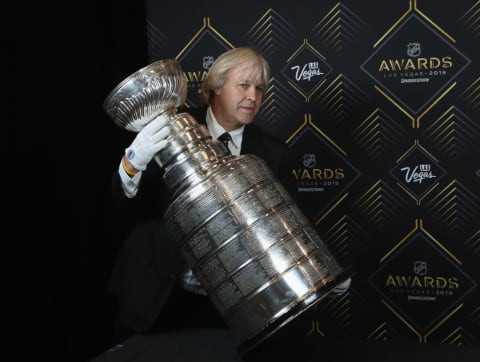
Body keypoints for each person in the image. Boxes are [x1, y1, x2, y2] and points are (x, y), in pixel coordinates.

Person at [108, 46, 350, 344]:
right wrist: (132, 162)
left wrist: (320, 269)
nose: (253, 96)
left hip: (235, 305)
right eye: (244, 85)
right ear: (216, 87)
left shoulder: (272, 151)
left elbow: (285, 223)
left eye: (260, 89)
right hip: (162, 294)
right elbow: (122, 202)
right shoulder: (167, 128)